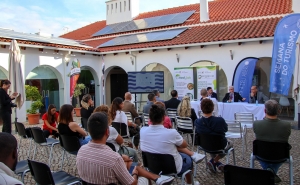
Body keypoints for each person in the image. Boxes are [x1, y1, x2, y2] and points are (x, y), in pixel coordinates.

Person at [76, 112, 174, 185]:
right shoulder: (114, 158)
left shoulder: (81, 151)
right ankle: (154, 178)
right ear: (107, 132)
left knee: (129, 163)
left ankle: (157, 177)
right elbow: (132, 183)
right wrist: (134, 174)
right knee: (140, 175)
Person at [140, 104, 205, 185]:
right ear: (164, 117)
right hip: (173, 168)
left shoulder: (142, 131)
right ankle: (189, 182)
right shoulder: (171, 133)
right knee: (188, 159)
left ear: (149, 118)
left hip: (152, 167)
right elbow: (184, 145)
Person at [253, 100, 291, 183]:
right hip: (280, 155)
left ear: (265, 111)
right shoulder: (286, 125)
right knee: (273, 153)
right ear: (279, 111)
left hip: (261, 154)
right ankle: (271, 173)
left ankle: (269, 172)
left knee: (266, 153)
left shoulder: (257, 124)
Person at [195, 99, 233, 173]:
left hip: (204, 145)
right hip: (219, 145)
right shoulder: (219, 120)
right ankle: (214, 161)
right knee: (230, 143)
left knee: (210, 140)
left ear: (201, 108)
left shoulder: (197, 122)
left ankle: (216, 162)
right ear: (213, 108)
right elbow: (225, 129)